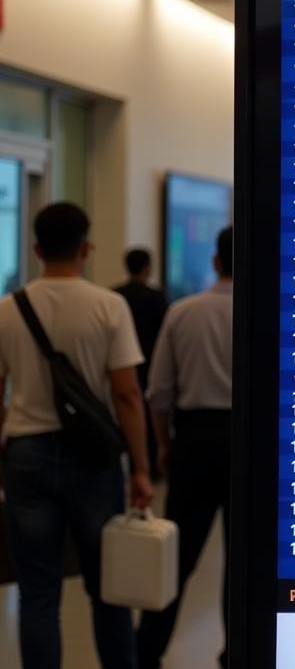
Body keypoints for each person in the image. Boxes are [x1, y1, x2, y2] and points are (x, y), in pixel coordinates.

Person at [0, 202, 153, 669]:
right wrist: (143, 470)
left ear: (36, 249)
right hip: (93, 458)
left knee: (38, 592)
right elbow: (126, 394)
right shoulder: (110, 305)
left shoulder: (7, 309)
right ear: (85, 247)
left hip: (25, 452)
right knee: (106, 587)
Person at [137, 226, 233, 669]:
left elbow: (158, 392)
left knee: (179, 555)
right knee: (245, 557)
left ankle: (147, 651)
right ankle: (237, 651)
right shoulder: (276, 309)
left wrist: (163, 444)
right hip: (250, 446)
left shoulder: (182, 312)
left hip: (194, 439)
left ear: (216, 262)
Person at [114, 248, 168, 477]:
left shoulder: (116, 296)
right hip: (150, 364)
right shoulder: (156, 297)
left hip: (120, 365)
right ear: (148, 267)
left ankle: (128, 463)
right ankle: (150, 467)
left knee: (122, 413)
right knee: (147, 412)